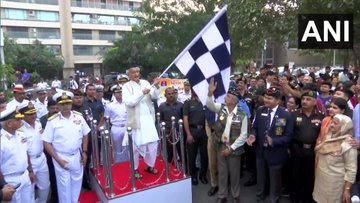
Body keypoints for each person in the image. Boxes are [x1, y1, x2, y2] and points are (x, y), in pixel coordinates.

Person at [247, 87, 294, 203]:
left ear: (278, 101)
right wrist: (253, 135)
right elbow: (255, 127)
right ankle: (260, 195)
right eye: (265, 97)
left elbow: (288, 136)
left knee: (275, 178)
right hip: (260, 151)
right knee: (261, 176)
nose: (266, 100)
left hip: (276, 152)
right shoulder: (260, 110)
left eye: (270, 98)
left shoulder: (285, 115)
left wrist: (274, 141)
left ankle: (274, 198)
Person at [42, 91, 90, 203]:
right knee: (64, 187)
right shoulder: (52, 121)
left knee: (77, 182)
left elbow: (85, 134)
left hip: (77, 156)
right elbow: (46, 142)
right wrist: (58, 159)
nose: (65, 106)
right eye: (62, 104)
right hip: (61, 157)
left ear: (71, 103)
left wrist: (84, 151)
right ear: (58, 106)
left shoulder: (78, 117)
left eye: (67, 103)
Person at [207, 79, 248, 203]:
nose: (225, 97)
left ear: (234, 100)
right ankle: (222, 195)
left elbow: (244, 135)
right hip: (220, 145)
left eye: (228, 96)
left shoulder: (242, 115)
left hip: (233, 149)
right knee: (223, 172)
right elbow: (210, 105)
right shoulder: (222, 108)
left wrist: (230, 148)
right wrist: (210, 93)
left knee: (234, 174)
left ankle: (235, 195)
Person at [122, 65, 160, 179]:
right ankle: (134, 169)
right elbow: (130, 102)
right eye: (133, 72)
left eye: (138, 71)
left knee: (152, 143)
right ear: (129, 74)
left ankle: (150, 165)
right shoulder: (126, 86)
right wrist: (142, 93)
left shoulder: (145, 82)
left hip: (148, 118)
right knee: (135, 145)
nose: (136, 74)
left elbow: (154, 96)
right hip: (135, 120)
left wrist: (157, 87)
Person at [290, 91, 325, 203]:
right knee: (295, 174)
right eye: (303, 99)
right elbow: (289, 133)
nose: (304, 101)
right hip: (296, 149)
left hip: (312, 151)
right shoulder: (294, 114)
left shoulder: (320, 116)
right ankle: (294, 197)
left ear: (315, 102)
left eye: (308, 99)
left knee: (310, 176)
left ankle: (307, 198)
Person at [313, 114, 357, 203]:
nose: (331, 125)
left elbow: (351, 170)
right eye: (332, 122)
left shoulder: (349, 144)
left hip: (334, 186)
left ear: (344, 127)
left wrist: (347, 189)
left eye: (335, 123)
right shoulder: (328, 137)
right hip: (320, 181)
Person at [0, 105, 34, 203]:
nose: (21, 121)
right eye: (18, 119)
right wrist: (3, 185)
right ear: (9, 123)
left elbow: (25, 153)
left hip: (25, 176)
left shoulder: (20, 134)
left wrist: (30, 170)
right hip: (10, 180)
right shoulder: (1, 140)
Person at [18, 101, 50, 203]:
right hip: (29, 162)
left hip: (42, 158)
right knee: (30, 190)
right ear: (23, 115)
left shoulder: (38, 123)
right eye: (30, 114)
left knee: (45, 186)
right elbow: (23, 151)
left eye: (34, 113)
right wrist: (30, 170)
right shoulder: (19, 129)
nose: (33, 115)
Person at [183, 88, 207, 185]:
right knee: (192, 156)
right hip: (192, 131)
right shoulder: (187, 103)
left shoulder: (205, 101)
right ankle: (193, 176)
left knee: (204, 155)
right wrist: (188, 134)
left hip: (204, 131)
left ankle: (203, 175)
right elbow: (185, 119)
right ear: (192, 90)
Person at [39, 97, 59, 203]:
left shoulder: (61, 118)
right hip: (48, 152)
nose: (55, 110)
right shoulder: (42, 120)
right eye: (52, 108)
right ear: (48, 109)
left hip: (60, 150)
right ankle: (55, 195)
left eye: (57, 108)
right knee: (52, 174)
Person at [158, 87, 183, 165]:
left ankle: (183, 169)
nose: (171, 95)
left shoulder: (181, 105)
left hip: (179, 133)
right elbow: (160, 120)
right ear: (165, 95)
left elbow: (184, 118)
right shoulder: (161, 107)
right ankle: (170, 170)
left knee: (182, 152)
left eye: (172, 93)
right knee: (169, 154)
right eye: (169, 94)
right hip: (167, 134)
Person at [104, 85, 129, 163]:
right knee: (117, 146)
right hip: (116, 127)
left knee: (127, 145)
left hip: (126, 126)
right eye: (117, 93)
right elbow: (106, 118)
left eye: (121, 92)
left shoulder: (127, 103)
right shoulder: (110, 105)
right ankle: (118, 162)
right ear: (114, 94)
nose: (120, 94)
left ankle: (128, 161)